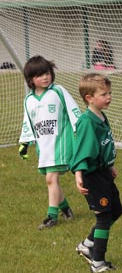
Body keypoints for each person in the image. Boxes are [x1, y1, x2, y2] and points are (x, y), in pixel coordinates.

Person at [18, 55, 81, 230]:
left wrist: (80, 131)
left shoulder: (58, 91)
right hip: (43, 146)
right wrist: (24, 143)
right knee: (51, 180)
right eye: (40, 75)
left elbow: (74, 110)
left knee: (51, 178)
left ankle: (51, 217)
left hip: (60, 142)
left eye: (47, 73)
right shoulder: (28, 100)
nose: (45, 77)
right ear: (31, 80)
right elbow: (28, 122)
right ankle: (66, 209)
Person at [71, 73, 122, 272]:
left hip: (103, 173)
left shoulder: (101, 115)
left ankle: (86, 245)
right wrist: (78, 174)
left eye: (109, 93)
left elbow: (102, 146)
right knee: (103, 217)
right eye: (103, 94)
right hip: (91, 176)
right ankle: (98, 262)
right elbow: (82, 149)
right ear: (89, 98)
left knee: (116, 210)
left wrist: (109, 165)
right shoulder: (86, 121)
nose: (108, 97)